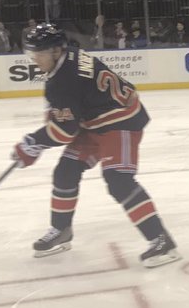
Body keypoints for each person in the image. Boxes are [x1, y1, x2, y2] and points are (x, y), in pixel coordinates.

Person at [10, 23, 179, 268]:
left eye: (40, 53)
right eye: (32, 54)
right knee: (65, 171)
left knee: (118, 180)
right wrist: (42, 135)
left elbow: (64, 132)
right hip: (94, 122)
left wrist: (33, 144)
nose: (35, 59)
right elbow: (69, 115)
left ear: (56, 51)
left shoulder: (63, 80)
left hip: (120, 121)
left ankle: (162, 240)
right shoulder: (71, 57)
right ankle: (61, 230)